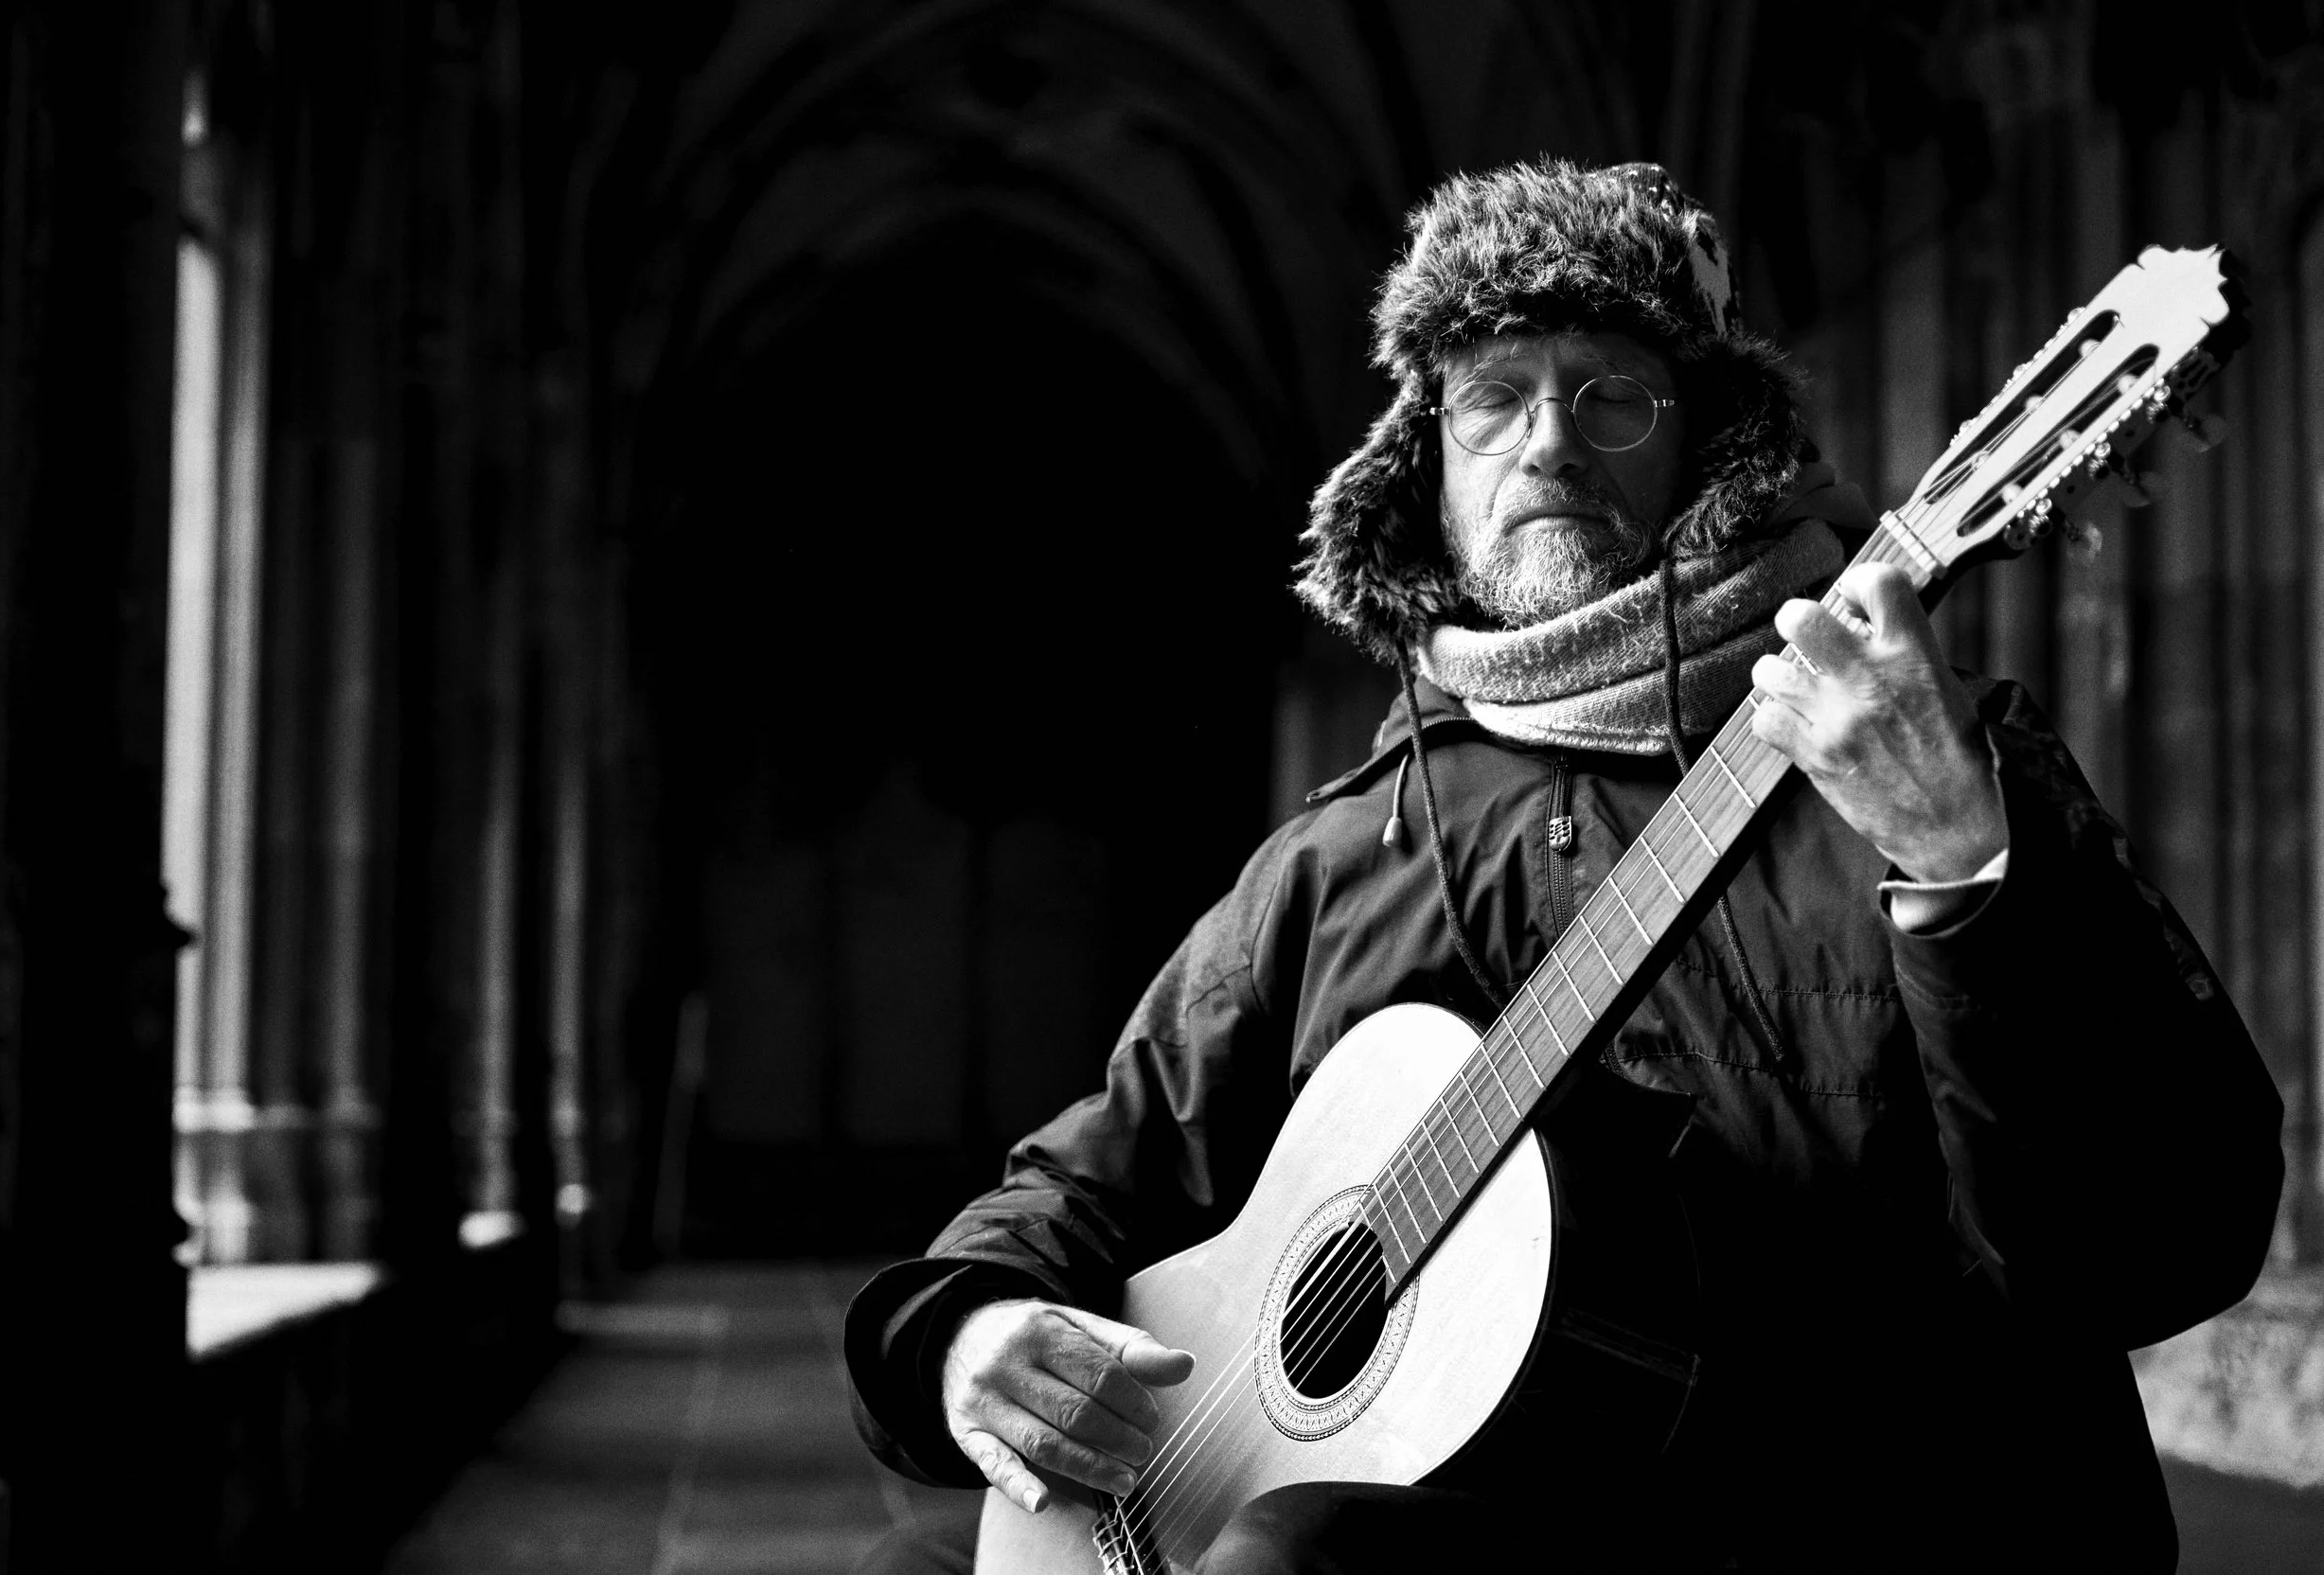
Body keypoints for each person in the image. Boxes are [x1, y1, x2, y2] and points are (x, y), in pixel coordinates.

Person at [840, 159, 2284, 1572]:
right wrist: (961, 1331)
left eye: (1611, 394)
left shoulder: (1931, 763)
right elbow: (1092, 1179)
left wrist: (1960, 868)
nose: (1547, 442)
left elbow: (2166, 1240)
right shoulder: (1343, 856)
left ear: (1708, 440)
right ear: (1427, 464)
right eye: (1493, 398)